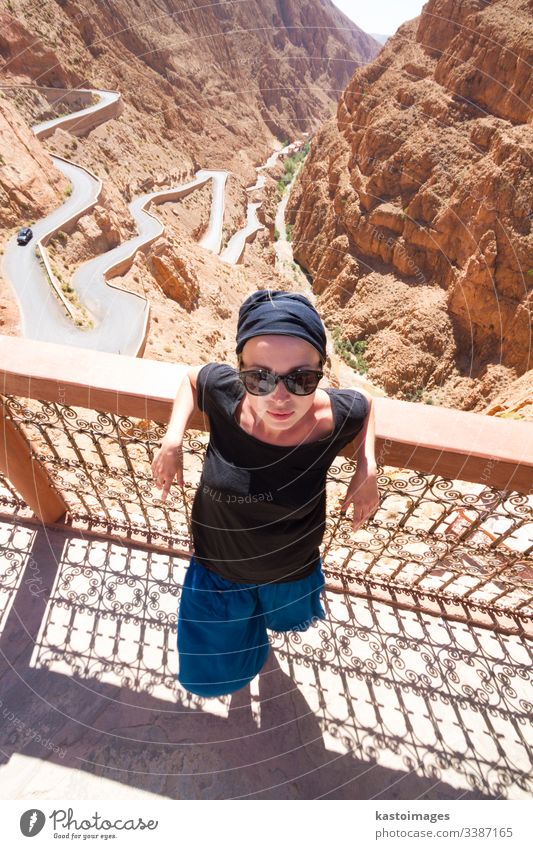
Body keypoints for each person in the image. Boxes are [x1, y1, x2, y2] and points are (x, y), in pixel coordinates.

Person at [151, 289, 379, 698]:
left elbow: (366, 405)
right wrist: (173, 439)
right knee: (210, 669)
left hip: (290, 566)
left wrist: (368, 466)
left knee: (272, 619)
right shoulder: (223, 396)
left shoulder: (333, 418)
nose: (279, 396)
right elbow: (190, 379)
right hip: (218, 566)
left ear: (320, 373)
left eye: (301, 379)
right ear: (239, 369)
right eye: (260, 377)